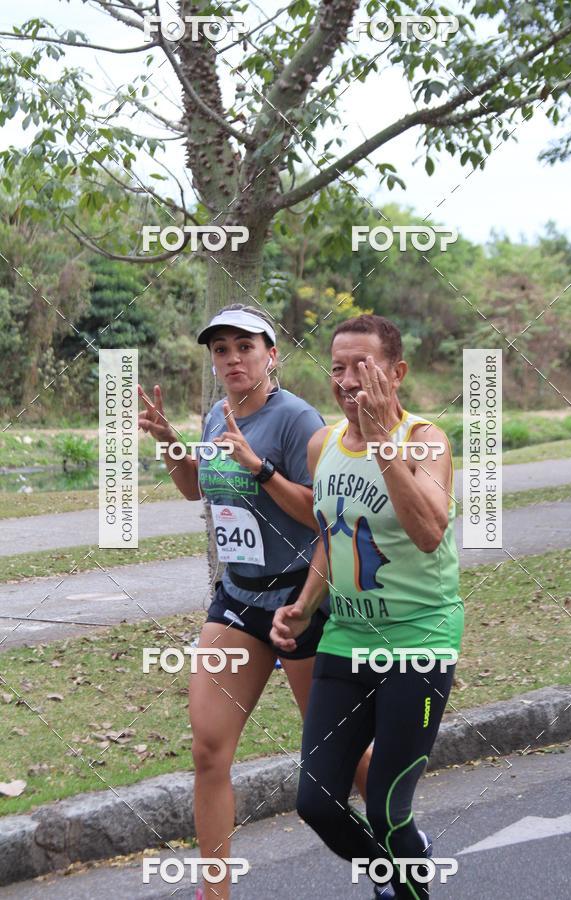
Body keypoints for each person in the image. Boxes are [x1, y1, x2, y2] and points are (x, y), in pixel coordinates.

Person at [138, 303, 370, 900]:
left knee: (338, 756)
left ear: (272, 354)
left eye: (245, 347)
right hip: (238, 601)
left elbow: (325, 518)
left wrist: (262, 467)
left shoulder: (298, 420)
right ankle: (215, 892)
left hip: (300, 600)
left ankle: (400, 839)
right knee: (208, 749)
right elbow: (197, 487)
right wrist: (171, 444)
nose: (233, 359)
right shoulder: (217, 415)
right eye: (221, 350)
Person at [271, 314, 464, 899]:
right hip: (346, 639)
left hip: (418, 641)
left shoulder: (425, 440)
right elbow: (334, 535)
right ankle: (403, 864)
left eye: (364, 365)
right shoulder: (321, 443)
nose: (349, 379)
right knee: (317, 802)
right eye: (337, 367)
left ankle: (406, 881)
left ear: (397, 372)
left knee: (386, 808)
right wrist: (305, 605)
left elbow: (429, 531)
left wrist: (384, 443)